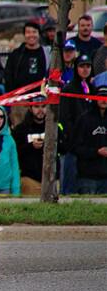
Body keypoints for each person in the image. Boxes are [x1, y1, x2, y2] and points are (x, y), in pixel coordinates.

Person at [59, 54, 94, 195]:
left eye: (88, 66)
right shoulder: (69, 89)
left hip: (90, 143)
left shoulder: (93, 88)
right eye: (82, 66)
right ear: (76, 68)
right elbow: (64, 118)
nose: (85, 69)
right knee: (70, 185)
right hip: (72, 145)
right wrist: (71, 137)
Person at [69, 85, 107, 194]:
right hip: (87, 177)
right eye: (101, 97)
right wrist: (96, 152)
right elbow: (74, 147)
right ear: (95, 98)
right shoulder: (84, 119)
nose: (104, 100)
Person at [12, 98, 50, 196]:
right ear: (30, 108)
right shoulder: (20, 129)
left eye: (43, 106)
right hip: (29, 179)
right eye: (37, 106)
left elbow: (64, 148)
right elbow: (15, 152)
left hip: (51, 179)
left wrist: (49, 144)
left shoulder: (53, 128)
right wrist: (30, 146)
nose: (40, 110)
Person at [5, 21, 47, 92]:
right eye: (28, 32)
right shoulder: (16, 54)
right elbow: (8, 76)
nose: (31, 35)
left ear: (39, 34)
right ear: (24, 35)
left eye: (34, 32)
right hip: (20, 97)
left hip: (42, 96)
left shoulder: (46, 53)